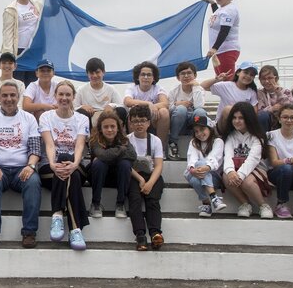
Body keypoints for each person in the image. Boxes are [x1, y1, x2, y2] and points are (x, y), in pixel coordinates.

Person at [0, 81, 41, 248]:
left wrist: (30, 166)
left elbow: (35, 148)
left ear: (18, 97)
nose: (9, 98)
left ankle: (29, 232)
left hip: (23, 169)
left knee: (34, 182)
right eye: (4, 95)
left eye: (12, 95)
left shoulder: (29, 119)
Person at [39, 81, 90, 250]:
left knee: (69, 162)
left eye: (68, 94)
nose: (64, 98)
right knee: (66, 166)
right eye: (61, 94)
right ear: (55, 96)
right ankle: (75, 230)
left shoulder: (82, 119)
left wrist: (75, 164)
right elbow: (50, 145)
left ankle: (57, 214)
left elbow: (80, 146)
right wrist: (54, 164)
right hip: (50, 169)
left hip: (76, 167)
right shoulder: (46, 117)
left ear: (73, 97)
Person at [220, 102, 273, 219]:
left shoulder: (257, 137)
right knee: (226, 176)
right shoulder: (230, 136)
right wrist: (230, 172)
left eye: (241, 118)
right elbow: (228, 156)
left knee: (247, 182)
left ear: (249, 119)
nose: (237, 121)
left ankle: (263, 205)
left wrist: (239, 175)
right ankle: (245, 204)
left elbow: (253, 160)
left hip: (255, 169)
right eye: (234, 118)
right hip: (236, 169)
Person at [126, 105, 166, 251]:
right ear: (130, 123)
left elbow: (159, 165)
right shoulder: (126, 140)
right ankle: (140, 235)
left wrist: (149, 183)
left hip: (152, 176)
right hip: (134, 176)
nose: (139, 124)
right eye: (135, 121)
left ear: (149, 122)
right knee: (135, 201)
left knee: (152, 201)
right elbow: (126, 166)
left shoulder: (155, 141)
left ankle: (155, 233)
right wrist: (141, 180)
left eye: (142, 121)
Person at [88, 111, 136, 219]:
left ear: (118, 127)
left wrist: (109, 156)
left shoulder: (124, 139)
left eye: (112, 126)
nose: (109, 130)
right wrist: (121, 150)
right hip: (98, 177)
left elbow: (133, 155)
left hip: (117, 178)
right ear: (100, 128)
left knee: (125, 164)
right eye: (106, 127)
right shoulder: (95, 141)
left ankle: (120, 204)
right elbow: (102, 155)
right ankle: (95, 203)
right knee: (99, 164)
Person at [0, 0, 43, 86]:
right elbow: (7, 33)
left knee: (33, 84)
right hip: (18, 52)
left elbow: (50, 14)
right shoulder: (11, 9)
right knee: (18, 83)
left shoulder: (37, 5)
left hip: (33, 51)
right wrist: (8, 54)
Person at [184, 114, 227, 217]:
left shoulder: (218, 141)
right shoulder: (193, 142)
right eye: (196, 131)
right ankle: (214, 198)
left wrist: (205, 167)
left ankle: (206, 203)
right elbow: (191, 160)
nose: (199, 133)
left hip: (214, 176)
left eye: (202, 129)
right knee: (196, 168)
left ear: (210, 128)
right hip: (194, 173)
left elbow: (214, 159)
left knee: (195, 177)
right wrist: (192, 169)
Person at [201, 61, 259, 132]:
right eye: (246, 72)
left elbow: (254, 111)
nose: (248, 76)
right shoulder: (226, 86)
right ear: (238, 73)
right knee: (228, 109)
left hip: (241, 125)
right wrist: (216, 79)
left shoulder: (252, 92)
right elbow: (202, 86)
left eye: (252, 75)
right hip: (224, 125)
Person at [166, 61, 208, 160]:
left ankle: (201, 142)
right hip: (179, 124)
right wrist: (178, 104)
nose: (186, 76)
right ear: (178, 77)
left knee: (200, 112)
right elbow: (169, 108)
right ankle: (173, 142)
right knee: (181, 109)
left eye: (189, 73)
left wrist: (196, 86)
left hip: (194, 122)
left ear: (195, 75)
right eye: (182, 73)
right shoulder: (173, 91)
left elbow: (199, 105)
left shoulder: (199, 89)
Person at [77, 57, 128, 131]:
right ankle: (89, 139)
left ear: (103, 72)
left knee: (121, 110)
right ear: (87, 74)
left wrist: (110, 105)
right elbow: (73, 108)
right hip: (90, 118)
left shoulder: (111, 88)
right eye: (91, 73)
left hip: (107, 116)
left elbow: (123, 106)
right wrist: (82, 107)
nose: (94, 76)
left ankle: (118, 137)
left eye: (97, 72)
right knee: (81, 112)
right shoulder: (81, 90)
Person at [204, 0, 240, 75]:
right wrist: (213, 4)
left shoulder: (229, 10)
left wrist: (214, 48)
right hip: (219, 51)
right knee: (220, 80)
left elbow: (224, 31)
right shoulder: (222, 9)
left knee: (226, 80)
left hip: (226, 50)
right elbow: (218, 17)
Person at [255, 64, 293, 132]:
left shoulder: (286, 91)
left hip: (283, 120)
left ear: (276, 78)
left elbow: (290, 107)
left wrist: (279, 93)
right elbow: (260, 110)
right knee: (262, 115)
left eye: (270, 78)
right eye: (263, 79)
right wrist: (272, 109)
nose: (267, 81)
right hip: (267, 121)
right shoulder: (259, 93)